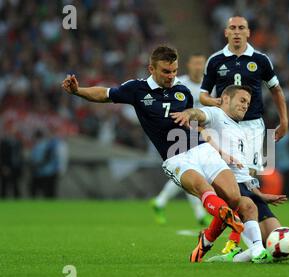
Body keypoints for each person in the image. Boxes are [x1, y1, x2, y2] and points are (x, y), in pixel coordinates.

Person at [61, 45, 259, 263]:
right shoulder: (136, 89)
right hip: (175, 157)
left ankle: (207, 239)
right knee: (205, 189)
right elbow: (105, 94)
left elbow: (196, 125)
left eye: (174, 71)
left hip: (201, 148)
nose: (171, 76)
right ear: (151, 69)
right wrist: (78, 91)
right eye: (166, 71)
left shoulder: (181, 91)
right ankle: (233, 229)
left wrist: (218, 149)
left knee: (232, 197)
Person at [199, 16, 289, 253]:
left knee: (246, 177)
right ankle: (238, 237)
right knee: (235, 180)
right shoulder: (216, 60)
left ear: (248, 33)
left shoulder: (260, 59)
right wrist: (217, 103)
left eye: (241, 28)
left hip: (253, 127)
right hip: (225, 125)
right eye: (232, 28)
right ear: (226, 32)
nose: (237, 32)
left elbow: (276, 90)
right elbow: (203, 95)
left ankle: (235, 236)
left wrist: (284, 120)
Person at [172, 84, 285, 263]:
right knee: (248, 207)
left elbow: (244, 174)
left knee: (275, 242)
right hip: (225, 181)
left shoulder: (239, 130)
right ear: (225, 99)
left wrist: (260, 194)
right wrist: (189, 113)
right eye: (241, 100)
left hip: (246, 186)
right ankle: (253, 251)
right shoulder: (216, 114)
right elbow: (199, 116)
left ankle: (232, 253)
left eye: (247, 103)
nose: (245, 105)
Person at [150, 53, 211, 226]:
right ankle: (199, 214)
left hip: (202, 133)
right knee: (191, 172)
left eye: (201, 63)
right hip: (181, 134)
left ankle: (161, 201)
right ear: (189, 65)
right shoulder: (179, 84)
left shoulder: (209, 87)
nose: (198, 66)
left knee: (189, 173)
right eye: (195, 63)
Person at [0, 127, 24, 198]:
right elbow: (2, 156)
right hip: (7, 167)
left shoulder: (18, 143)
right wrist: (3, 166)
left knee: (16, 185)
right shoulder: (4, 143)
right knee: (5, 185)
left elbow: (20, 155)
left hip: (16, 167)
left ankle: (17, 204)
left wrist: (20, 166)